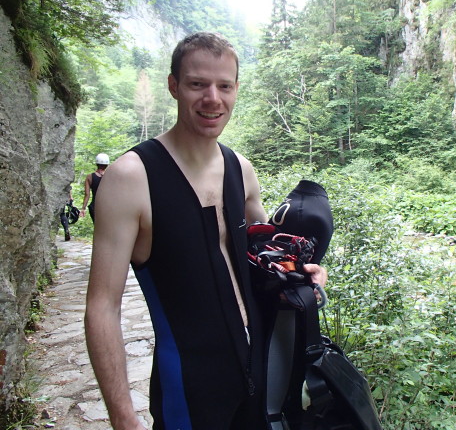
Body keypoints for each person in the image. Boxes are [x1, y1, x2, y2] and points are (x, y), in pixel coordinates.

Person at [84, 32, 327, 430]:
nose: (212, 98)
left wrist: (304, 271)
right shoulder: (132, 178)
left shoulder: (241, 170)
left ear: (235, 90)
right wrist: (122, 417)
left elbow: (262, 260)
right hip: (188, 386)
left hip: (260, 373)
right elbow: (102, 306)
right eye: (197, 84)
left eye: (224, 86)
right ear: (173, 86)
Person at [80, 153, 110, 222]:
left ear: (96, 164)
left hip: (94, 206)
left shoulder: (89, 177)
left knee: (97, 228)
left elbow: (87, 195)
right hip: (108, 207)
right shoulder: (111, 176)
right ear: (107, 164)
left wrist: (83, 209)